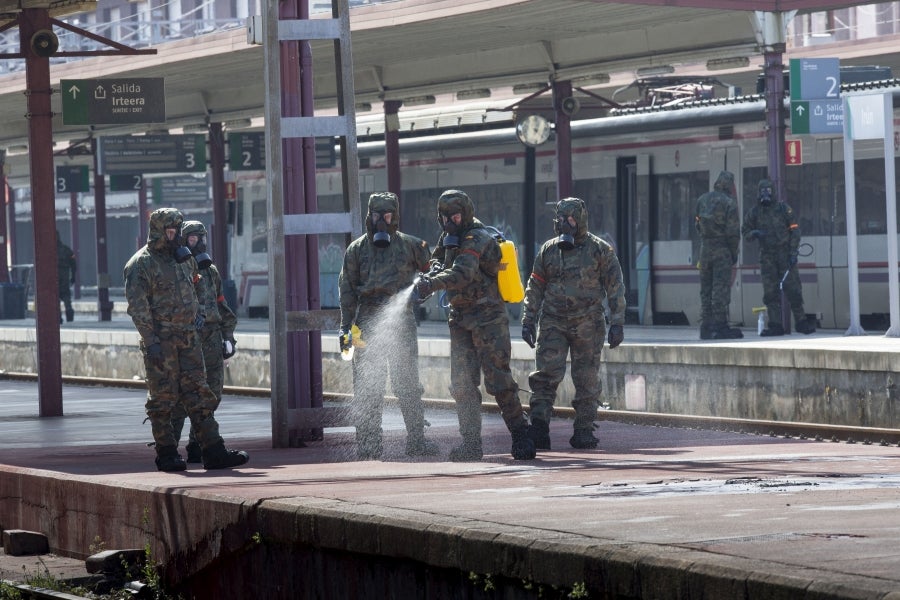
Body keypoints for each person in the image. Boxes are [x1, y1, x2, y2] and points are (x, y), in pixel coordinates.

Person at [124, 207, 249, 472]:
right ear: (158, 231)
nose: (174, 237)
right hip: (162, 342)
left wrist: (200, 316)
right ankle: (167, 452)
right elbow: (138, 308)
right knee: (163, 399)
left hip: (189, 339)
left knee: (200, 393)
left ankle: (213, 450)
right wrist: (151, 340)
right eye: (170, 231)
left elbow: (198, 289)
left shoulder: (184, 261)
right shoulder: (141, 264)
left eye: (176, 231)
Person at [415, 189, 535, 461]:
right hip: (459, 319)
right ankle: (471, 443)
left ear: (465, 214)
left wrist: (432, 283)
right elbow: (437, 260)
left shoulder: (477, 237)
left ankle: (521, 435)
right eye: (444, 218)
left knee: (499, 381)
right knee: (461, 384)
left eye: (455, 216)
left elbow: (462, 272)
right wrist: (432, 271)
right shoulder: (449, 237)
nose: (449, 223)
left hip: (487, 319)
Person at [338, 192, 439, 460]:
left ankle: (417, 441)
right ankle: (369, 445)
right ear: (369, 216)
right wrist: (345, 328)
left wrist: (424, 287)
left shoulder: (412, 246)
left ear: (394, 216)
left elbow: (434, 271)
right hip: (365, 322)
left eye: (386, 215)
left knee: (407, 382)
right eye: (376, 215)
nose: (381, 221)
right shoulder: (356, 250)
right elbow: (346, 291)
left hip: (401, 319)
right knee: (367, 386)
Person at [521, 197, 626, 450]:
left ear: (580, 220)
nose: (565, 225)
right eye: (561, 219)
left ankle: (583, 430)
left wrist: (617, 322)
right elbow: (534, 286)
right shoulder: (548, 250)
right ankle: (538, 429)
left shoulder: (600, 249)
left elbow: (615, 287)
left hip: (588, 323)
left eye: (570, 220)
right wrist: (528, 319)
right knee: (544, 377)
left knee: (587, 380)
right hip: (553, 322)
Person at [170, 220, 238, 463]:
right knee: (181, 399)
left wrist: (228, 336)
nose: (199, 243)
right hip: (189, 341)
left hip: (211, 340)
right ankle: (168, 449)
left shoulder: (211, 271)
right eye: (193, 239)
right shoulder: (178, 271)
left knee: (213, 394)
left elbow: (222, 306)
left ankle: (197, 444)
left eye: (202, 238)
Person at [742, 178, 816, 336]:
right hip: (767, 257)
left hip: (785, 255)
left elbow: (795, 230)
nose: (765, 194)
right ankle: (775, 325)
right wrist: (754, 234)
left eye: (768, 191)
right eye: (762, 191)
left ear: (773, 192)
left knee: (794, 290)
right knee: (770, 292)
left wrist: (793, 252)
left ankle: (801, 322)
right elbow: (745, 232)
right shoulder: (754, 212)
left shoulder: (784, 209)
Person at [694, 171, 743, 340]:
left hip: (705, 250)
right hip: (722, 251)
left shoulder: (702, 200)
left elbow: (697, 225)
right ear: (729, 185)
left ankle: (705, 327)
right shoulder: (730, 203)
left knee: (705, 290)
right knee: (720, 290)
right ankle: (720, 326)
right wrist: (733, 253)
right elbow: (733, 233)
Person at [56, 232, 76, 323]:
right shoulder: (66, 250)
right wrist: (73, 276)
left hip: (54, 277)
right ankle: (69, 314)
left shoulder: (49, 251)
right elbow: (73, 263)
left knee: (55, 297)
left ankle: (58, 317)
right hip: (65, 275)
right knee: (66, 296)